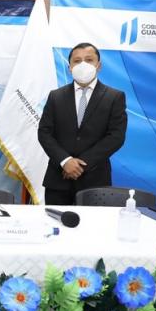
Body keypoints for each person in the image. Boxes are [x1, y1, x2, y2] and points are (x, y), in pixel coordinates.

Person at [37, 42, 127, 205]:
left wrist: (81, 165)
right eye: (77, 61)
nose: (83, 64)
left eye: (89, 60)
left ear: (99, 65)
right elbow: (44, 133)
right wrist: (65, 161)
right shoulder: (55, 96)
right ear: (69, 67)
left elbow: (116, 136)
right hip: (58, 180)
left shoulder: (114, 97)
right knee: (55, 220)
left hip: (95, 181)